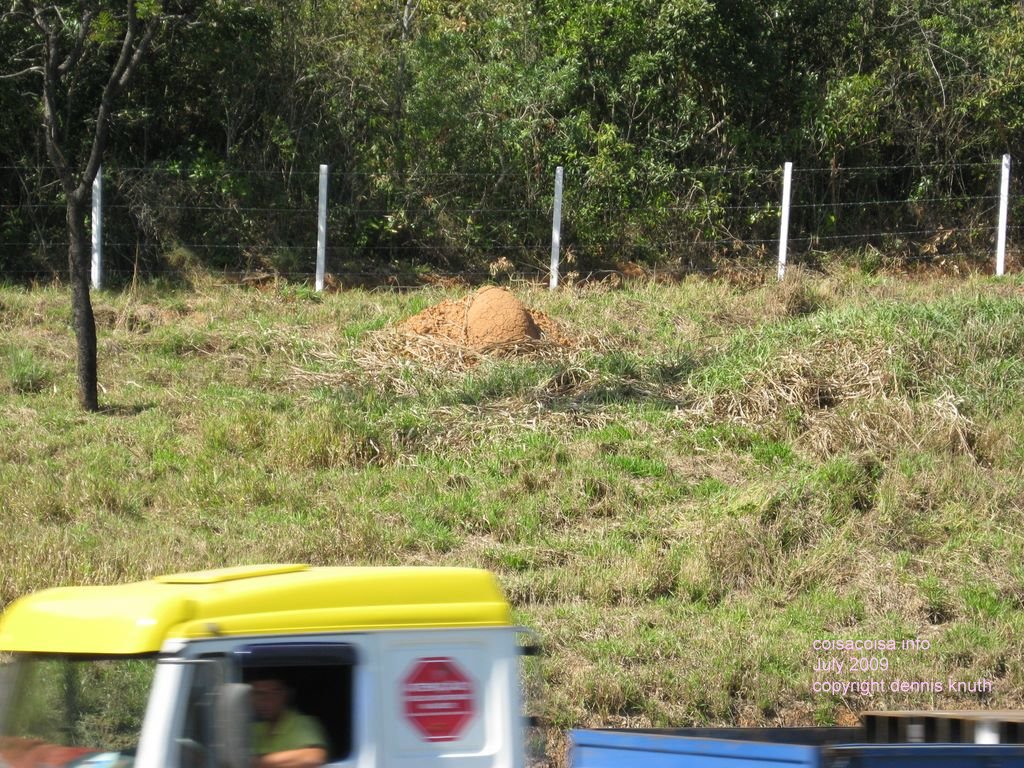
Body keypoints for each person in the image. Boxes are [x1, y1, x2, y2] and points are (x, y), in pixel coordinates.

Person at [250, 678, 328, 768]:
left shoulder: (302, 723)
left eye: (275, 693)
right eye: (259, 693)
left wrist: (259, 762)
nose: (266, 700)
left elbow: (314, 756)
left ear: (286, 695)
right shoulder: (254, 728)